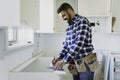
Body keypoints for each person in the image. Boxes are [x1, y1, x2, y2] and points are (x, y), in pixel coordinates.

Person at [52, 3, 96, 80]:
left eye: (64, 15)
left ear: (69, 10)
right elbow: (66, 46)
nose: (63, 19)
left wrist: (64, 61)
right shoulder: (69, 26)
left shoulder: (82, 21)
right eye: (61, 17)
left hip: (86, 62)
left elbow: (78, 44)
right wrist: (59, 58)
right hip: (75, 63)